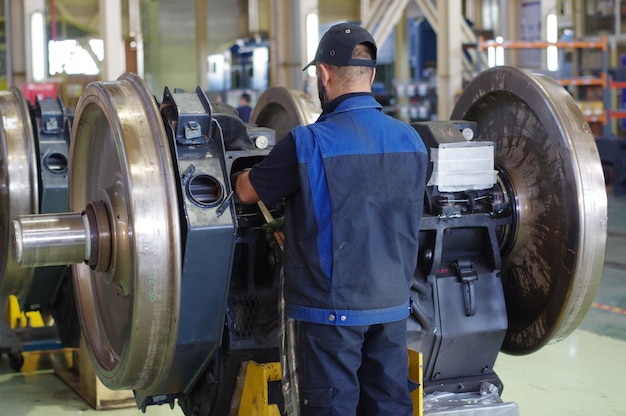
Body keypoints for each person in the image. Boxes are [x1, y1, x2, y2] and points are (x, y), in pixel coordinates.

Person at [235, 22, 427, 416]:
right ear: (371, 74)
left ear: (323, 74)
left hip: (330, 313)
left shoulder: (306, 142)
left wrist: (240, 172)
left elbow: (245, 192)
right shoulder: (412, 140)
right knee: (389, 406)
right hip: (391, 305)